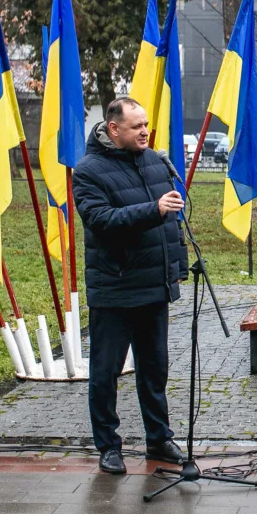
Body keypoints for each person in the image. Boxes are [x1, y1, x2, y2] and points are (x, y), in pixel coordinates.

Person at [72, 97, 188, 475]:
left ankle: (159, 438)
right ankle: (108, 445)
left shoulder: (156, 162)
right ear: (113, 129)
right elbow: (101, 220)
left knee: (154, 369)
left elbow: (170, 228)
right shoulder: (88, 172)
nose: (144, 131)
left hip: (154, 287)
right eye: (136, 125)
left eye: (146, 124)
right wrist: (153, 210)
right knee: (105, 373)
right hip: (115, 290)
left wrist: (176, 270)